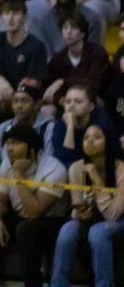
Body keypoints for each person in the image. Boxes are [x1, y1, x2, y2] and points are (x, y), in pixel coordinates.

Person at [0, 124, 68, 287]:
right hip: (21, 217)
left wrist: (19, 175)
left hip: (50, 221)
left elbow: (34, 212)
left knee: (26, 229)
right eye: (8, 143)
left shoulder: (54, 169)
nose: (9, 148)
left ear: (32, 148)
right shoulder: (7, 164)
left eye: (16, 143)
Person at [50, 123, 124, 287]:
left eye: (97, 137)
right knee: (67, 229)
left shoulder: (121, 170)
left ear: (109, 142)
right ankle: (58, 283)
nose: (90, 141)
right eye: (86, 138)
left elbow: (113, 215)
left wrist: (96, 178)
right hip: (94, 217)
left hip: (118, 220)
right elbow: (78, 203)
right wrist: (80, 212)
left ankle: (104, 284)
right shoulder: (76, 168)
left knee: (98, 232)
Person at [0, 0, 47, 137]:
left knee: (22, 96)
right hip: (4, 92)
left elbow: (30, 84)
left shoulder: (36, 45)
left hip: (25, 95)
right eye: (6, 13)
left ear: (25, 17)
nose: (10, 18)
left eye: (15, 13)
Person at [0, 78, 53, 166]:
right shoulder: (4, 127)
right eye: (15, 101)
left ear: (37, 104)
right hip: (8, 176)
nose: (19, 106)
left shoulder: (48, 127)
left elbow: (49, 159)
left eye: (25, 101)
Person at [44, 14, 111, 106]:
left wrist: (62, 82)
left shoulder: (97, 53)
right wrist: (59, 99)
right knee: (47, 109)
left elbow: (93, 84)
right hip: (66, 102)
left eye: (74, 28)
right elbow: (50, 87)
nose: (68, 32)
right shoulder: (58, 58)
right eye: (65, 28)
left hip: (95, 101)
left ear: (83, 33)